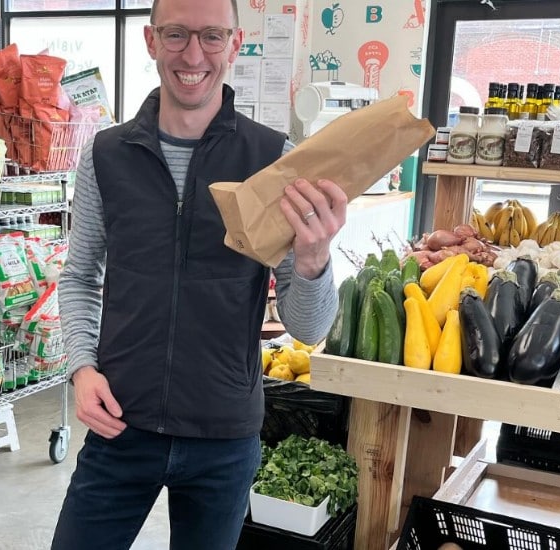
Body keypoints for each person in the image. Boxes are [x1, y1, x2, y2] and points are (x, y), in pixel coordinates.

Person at [52, 0, 347, 547]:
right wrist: (81, 368)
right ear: (149, 40)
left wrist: (313, 262)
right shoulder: (105, 155)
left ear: (235, 44)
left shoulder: (274, 161)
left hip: (223, 437)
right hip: (121, 423)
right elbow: (78, 276)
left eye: (212, 36)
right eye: (176, 34)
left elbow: (311, 328)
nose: (194, 54)